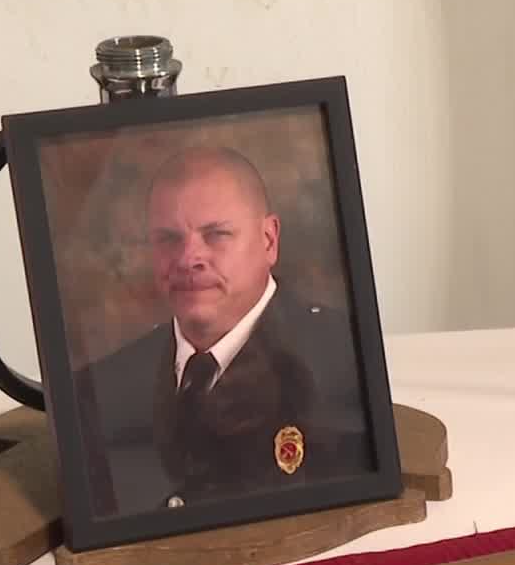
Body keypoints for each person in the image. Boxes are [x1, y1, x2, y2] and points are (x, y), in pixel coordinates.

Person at [72, 145, 369, 516]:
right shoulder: (101, 388)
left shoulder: (348, 358)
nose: (188, 259)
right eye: (168, 239)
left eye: (216, 234)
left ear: (268, 240)